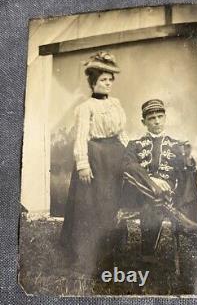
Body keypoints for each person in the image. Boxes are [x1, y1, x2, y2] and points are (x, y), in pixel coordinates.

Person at [60, 51, 128, 277]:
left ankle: (112, 249)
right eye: (102, 80)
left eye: (110, 80)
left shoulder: (116, 103)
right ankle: (87, 254)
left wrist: (129, 154)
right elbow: (81, 137)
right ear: (93, 83)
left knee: (113, 201)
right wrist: (83, 164)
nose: (107, 84)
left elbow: (121, 133)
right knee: (91, 206)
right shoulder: (85, 107)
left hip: (115, 157)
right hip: (96, 158)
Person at [121, 99, 197, 260]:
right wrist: (151, 181)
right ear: (143, 122)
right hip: (141, 193)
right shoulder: (134, 145)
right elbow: (128, 166)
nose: (157, 121)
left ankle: (149, 255)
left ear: (165, 118)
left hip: (171, 193)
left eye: (160, 116)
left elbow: (189, 176)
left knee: (188, 176)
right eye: (151, 118)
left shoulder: (176, 145)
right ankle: (150, 252)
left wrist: (188, 161)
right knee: (151, 203)